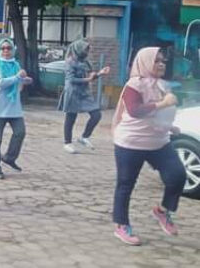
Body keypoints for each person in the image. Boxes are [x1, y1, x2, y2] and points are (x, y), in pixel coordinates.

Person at [111, 47, 186, 246]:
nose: (161, 64)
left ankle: (162, 211)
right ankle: (121, 225)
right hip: (131, 142)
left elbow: (160, 115)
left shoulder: (162, 85)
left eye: (163, 61)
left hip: (158, 141)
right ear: (144, 62)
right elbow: (135, 111)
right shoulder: (134, 84)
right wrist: (163, 104)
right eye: (156, 61)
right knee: (125, 184)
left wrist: (169, 126)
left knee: (177, 175)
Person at [0, 39, 33, 179]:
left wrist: (26, 80)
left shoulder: (15, 65)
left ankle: (9, 157)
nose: (6, 51)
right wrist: (18, 77)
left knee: (20, 132)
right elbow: (0, 82)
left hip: (14, 107)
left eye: (9, 48)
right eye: (3, 48)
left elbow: (18, 81)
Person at [58, 39, 110, 154]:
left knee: (96, 114)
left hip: (84, 92)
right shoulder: (70, 62)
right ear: (79, 49)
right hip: (72, 92)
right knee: (71, 117)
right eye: (85, 50)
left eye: (88, 50)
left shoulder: (86, 62)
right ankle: (67, 143)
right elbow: (71, 79)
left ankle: (84, 137)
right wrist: (88, 79)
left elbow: (91, 76)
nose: (87, 52)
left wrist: (100, 73)